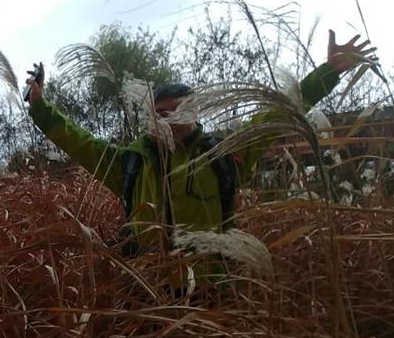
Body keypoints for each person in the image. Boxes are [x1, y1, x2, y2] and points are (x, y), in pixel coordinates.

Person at [24, 30, 375, 267]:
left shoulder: (223, 155)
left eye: (177, 112)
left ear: (194, 112)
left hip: (211, 299)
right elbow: (77, 141)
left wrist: (327, 72)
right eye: (160, 114)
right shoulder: (132, 162)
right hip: (147, 297)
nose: (168, 120)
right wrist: (40, 106)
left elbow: (276, 116)